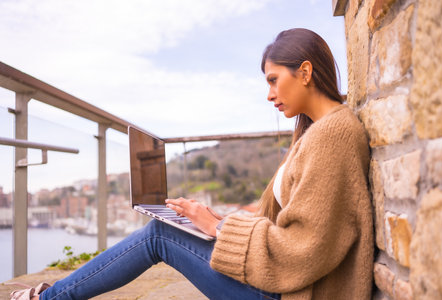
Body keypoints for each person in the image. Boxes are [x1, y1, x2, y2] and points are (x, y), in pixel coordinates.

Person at [11, 28, 373, 300]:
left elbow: (303, 249)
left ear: (306, 72)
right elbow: (292, 227)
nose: (269, 94)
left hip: (290, 292)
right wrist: (215, 221)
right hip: (285, 285)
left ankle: (49, 298)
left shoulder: (333, 135)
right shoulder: (315, 133)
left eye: (274, 80)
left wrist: (217, 231)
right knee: (169, 231)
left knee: (159, 235)